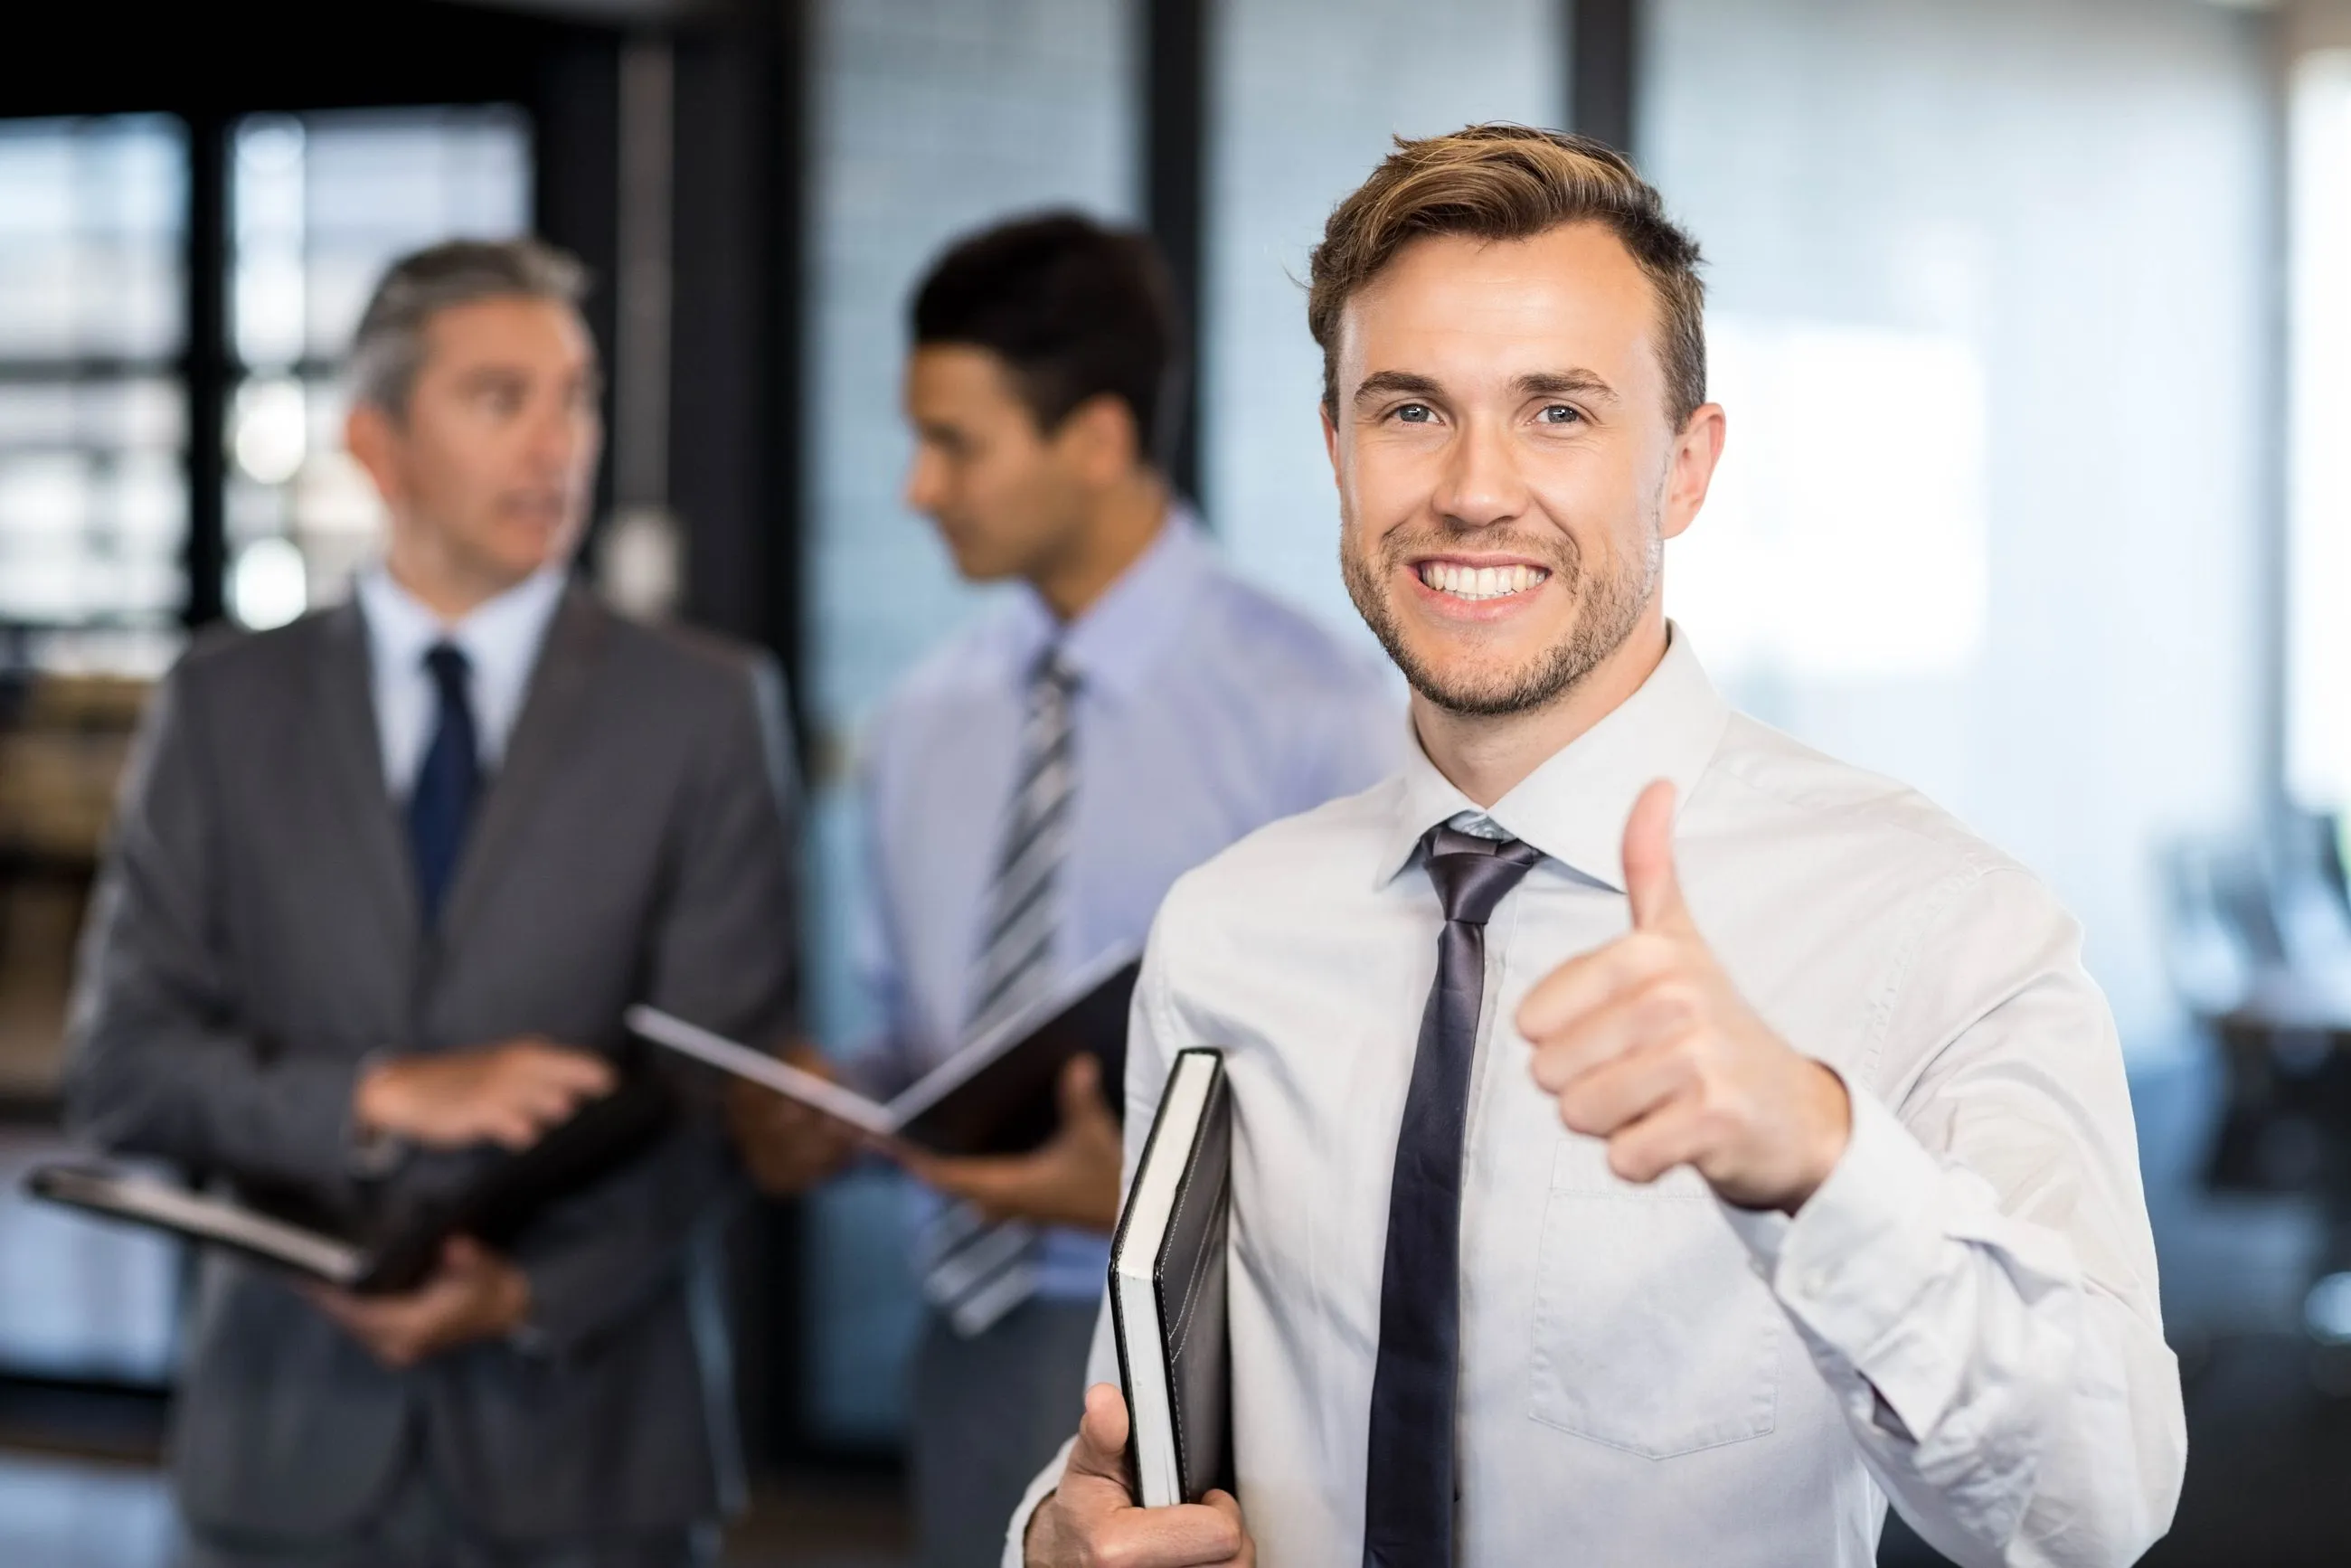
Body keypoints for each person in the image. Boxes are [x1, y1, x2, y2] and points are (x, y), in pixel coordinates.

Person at [1013, 128, 2188, 1568]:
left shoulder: (1942, 922)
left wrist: (1818, 1157)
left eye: (1558, 412)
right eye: (1409, 412)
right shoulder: (1228, 930)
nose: (1474, 488)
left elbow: (2097, 1500)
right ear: (1336, 448)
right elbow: (1136, 1435)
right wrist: (1057, 1543)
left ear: (1686, 467)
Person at [65, 239, 798, 1568]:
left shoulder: (704, 709)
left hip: (592, 1460)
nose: (555, 442)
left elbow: (722, 1093)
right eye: (498, 397)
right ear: (376, 442)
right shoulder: (224, 708)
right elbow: (123, 1071)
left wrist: (529, 1289)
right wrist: (380, 1092)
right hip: (280, 1452)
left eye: (575, 396)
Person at [727, 212, 1397, 1567]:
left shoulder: (1325, 717)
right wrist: (834, 1103)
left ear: (1094, 438)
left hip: (1224, 1363)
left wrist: (1139, 1192)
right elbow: (922, 1036)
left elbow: (1393, 1108)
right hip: (968, 1345)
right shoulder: (924, 720)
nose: (918, 487)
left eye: (955, 443)